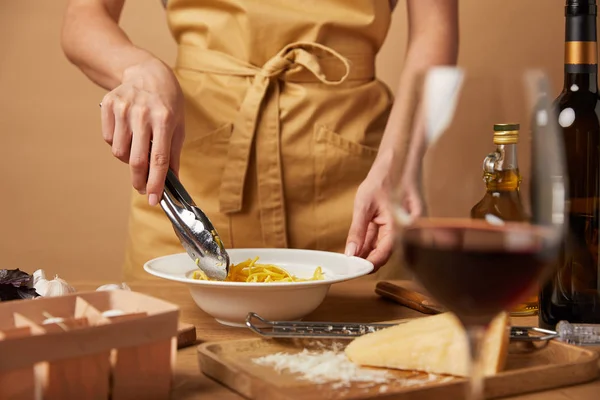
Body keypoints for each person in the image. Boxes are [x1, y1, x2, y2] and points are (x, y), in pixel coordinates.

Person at [60, 0, 458, 281]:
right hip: (193, 190)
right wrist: (139, 69)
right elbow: (84, 16)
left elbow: (433, 28)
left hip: (358, 192)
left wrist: (397, 160)